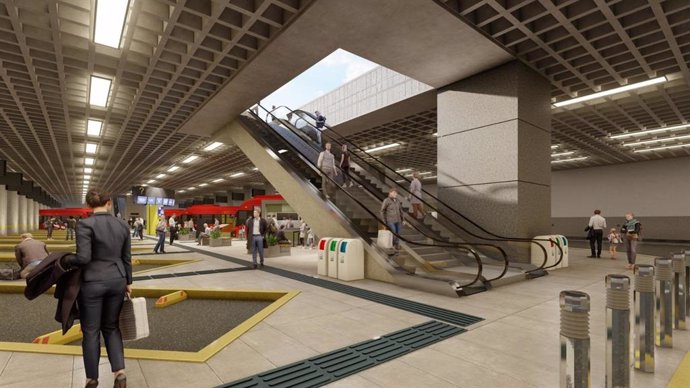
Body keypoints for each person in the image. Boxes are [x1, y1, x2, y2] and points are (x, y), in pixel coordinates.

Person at [65, 189, 132, 388]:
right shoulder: (122, 224)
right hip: (117, 279)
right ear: (109, 203)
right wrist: (128, 282)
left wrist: (66, 258)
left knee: (91, 331)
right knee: (111, 327)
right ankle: (119, 372)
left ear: (89, 206)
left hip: (92, 282)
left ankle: (92, 378)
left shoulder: (85, 224)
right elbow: (126, 257)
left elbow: (83, 258)